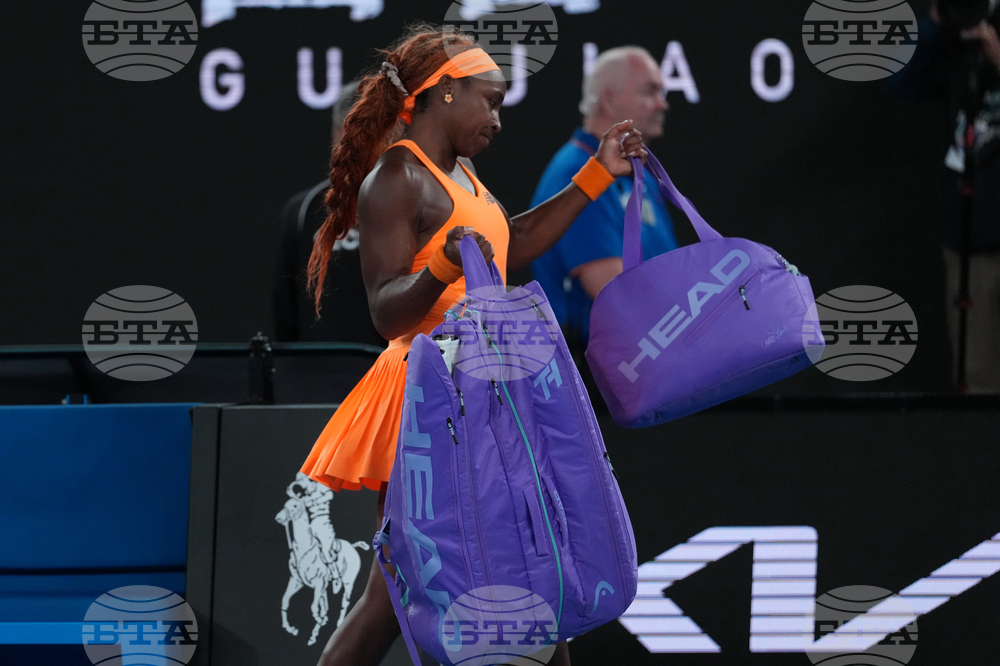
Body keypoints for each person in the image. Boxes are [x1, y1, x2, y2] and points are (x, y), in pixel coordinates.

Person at [299, 24, 647, 666]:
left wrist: (598, 175)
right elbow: (384, 310)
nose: (496, 118)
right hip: (429, 406)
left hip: (482, 396)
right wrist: (442, 269)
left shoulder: (461, 173)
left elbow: (512, 242)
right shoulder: (397, 177)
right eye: (488, 100)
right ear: (447, 93)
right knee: (396, 598)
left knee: (530, 566)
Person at [531, 46, 679, 352]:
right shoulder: (578, 175)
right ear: (609, 99)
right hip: (601, 376)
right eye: (650, 91)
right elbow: (614, 295)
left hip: (645, 358)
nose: (662, 103)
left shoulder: (637, 171)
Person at [889, 1, 1000, 392]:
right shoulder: (960, 42)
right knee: (978, 378)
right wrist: (939, 20)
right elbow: (901, 80)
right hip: (970, 241)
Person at [272, 80, 386, 346]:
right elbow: (285, 316)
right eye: (354, 132)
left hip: (393, 377)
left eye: (370, 133)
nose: (361, 145)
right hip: (318, 380)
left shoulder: (415, 203)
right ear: (339, 134)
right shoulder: (301, 211)